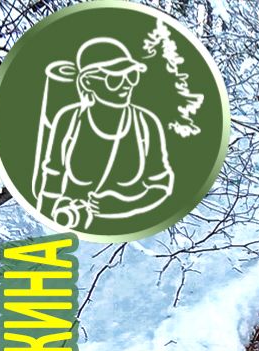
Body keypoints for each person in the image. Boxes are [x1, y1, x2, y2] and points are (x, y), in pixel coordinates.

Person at [35, 38, 174, 230]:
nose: (126, 85)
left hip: (130, 233)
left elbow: (161, 185)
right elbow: (52, 179)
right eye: (114, 79)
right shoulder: (69, 120)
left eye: (131, 76)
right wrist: (47, 222)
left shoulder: (146, 124)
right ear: (88, 82)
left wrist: (125, 206)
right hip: (72, 226)